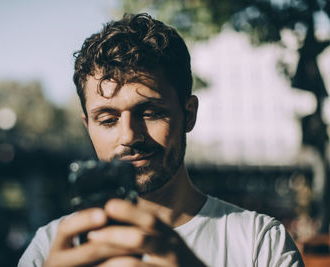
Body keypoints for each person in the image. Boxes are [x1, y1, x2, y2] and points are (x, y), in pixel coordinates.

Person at [18, 13, 304, 266]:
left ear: (188, 114)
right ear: (88, 126)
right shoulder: (50, 250)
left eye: (151, 113)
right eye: (107, 119)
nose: (129, 135)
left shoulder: (261, 245)